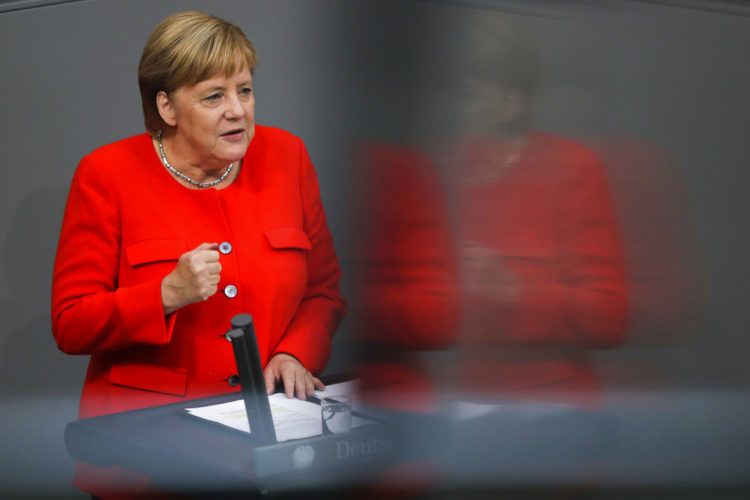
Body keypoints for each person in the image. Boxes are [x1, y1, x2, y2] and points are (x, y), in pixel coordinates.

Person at [51, 11, 345, 494]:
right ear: (166, 107)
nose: (237, 110)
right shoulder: (106, 174)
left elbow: (325, 292)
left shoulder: (287, 156)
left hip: (268, 445)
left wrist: (296, 353)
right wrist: (164, 294)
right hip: (147, 450)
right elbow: (71, 322)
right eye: (214, 96)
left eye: (244, 90)